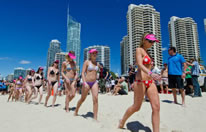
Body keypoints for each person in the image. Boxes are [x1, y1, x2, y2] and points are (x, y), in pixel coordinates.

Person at [118, 33, 161, 132]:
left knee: (156, 107)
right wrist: (150, 73)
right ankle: (122, 121)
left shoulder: (148, 53)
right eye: (150, 41)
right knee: (136, 107)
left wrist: (156, 75)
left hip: (150, 82)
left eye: (153, 42)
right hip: (140, 82)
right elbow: (140, 65)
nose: (152, 43)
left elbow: (149, 67)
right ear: (144, 40)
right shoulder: (139, 50)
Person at [74, 49, 100, 120]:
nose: (95, 54)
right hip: (87, 82)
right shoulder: (87, 62)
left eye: (96, 53)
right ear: (90, 54)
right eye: (93, 53)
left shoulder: (97, 63)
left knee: (95, 99)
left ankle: (95, 117)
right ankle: (76, 110)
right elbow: (82, 73)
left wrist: (97, 76)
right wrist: (84, 82)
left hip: (94, 82)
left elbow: (96, 72)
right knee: (83, 99)